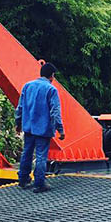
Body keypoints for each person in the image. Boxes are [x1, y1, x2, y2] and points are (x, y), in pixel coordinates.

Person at [15, 62, 65, 193]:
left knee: (27, 153)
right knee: (41, 156)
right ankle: (39, 183)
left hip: (29, 127)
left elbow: (19, 107)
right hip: (43, 129)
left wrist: (18, 123)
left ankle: (23, 180)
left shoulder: (27, 86)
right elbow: (55, 111)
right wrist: (60, 129)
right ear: (52, 76)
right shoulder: (51, 90)